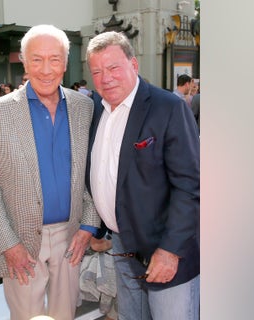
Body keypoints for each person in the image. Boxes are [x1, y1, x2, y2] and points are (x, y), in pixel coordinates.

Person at [0, 24, 101, 320]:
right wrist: (8, 244)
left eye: (54, 59)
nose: (46, 69)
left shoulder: (85, 107)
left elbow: (95, 173)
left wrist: (88, 227)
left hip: (71, 237)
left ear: (66, 63)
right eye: (37, 59)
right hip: (20, 241)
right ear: (24, 61)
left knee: (65, 314)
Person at [86, 31, 200, 320]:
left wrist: (170, 250)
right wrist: (99, 227)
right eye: (97, 72)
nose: (105, 78)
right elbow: (109, 174)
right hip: (122, 245)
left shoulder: (168, 108)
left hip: (165, 251)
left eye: (113, 68)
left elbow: (191, 186)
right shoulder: (98, 112)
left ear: (134, 65)